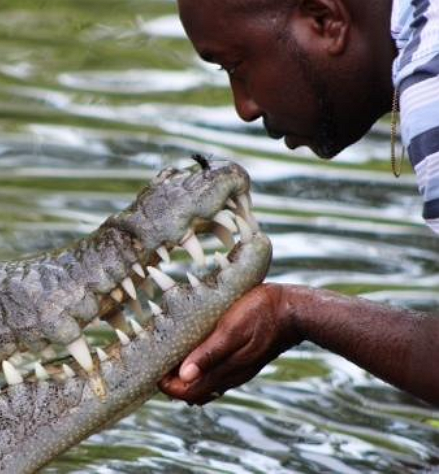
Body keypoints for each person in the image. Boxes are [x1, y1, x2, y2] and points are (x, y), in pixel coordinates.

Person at [159, 0, 439, 407]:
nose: (244, 108)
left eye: (235, 66)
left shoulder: (431, 90)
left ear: (325, 21)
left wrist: (294, 311)